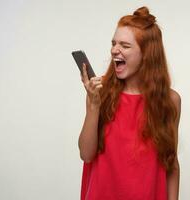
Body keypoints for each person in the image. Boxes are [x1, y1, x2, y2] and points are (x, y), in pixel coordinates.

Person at [78, 6, 181, 200]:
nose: (114, 50)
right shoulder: (100, 94)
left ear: (147, 54)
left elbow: (171, 163)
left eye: (125, 45)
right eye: (114, 43)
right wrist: (93, 105)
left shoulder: (170, 101)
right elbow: (86, 154)